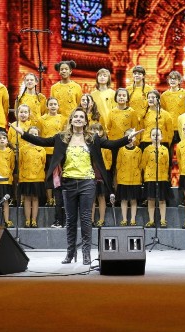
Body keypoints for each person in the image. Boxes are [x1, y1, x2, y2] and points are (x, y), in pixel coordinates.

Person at [10, 108, 142, 265]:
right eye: (75, 117)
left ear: (86, 121)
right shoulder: (61, 137)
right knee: (71, 220)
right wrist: (23, 133)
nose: (78, 119)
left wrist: (128, 138)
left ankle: (86, 253)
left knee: (86, 219)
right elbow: (42, 141)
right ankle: (70, 253)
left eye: (81, 117)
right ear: (71, 120)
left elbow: (112, 144)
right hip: (68, 182)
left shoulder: (93, 138)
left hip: (87, 182)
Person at [36, 97, 66, 217]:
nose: (53, 106)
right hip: (46, 151)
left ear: (58, 106)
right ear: (47, 106)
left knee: (60, 175)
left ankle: (60, 198)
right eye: (51, 104)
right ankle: (49, 199)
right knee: (48, 176)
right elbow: (39, 136)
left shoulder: (63, 119)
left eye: (55, 104)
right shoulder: (41, 119)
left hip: (59, 151)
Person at [18, 126, 47, 228]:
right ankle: (27, 220)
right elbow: (20, 163)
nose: (33, 136)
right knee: (27, 199)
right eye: (31, 134)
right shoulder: (22, 149)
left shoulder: (42, 149)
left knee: (35, 199)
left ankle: (34, 220)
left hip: (37, 178)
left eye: (35, 134)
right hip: (25, 178)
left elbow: (43, 163)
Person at [141, 128, 170, 228]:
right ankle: (151, 220)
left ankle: (163, 220)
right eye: (153, 135)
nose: (156, 137)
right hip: (150, 178)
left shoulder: (165, 149)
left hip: (162, 178)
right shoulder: (147, 150)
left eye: (157, 135)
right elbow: (143, 164)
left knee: (162, 200)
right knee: (151, 200)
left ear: (161, 137)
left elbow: (167, 164)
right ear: (150, 137)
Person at [107, 88, 140, 175]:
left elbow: (135, 128)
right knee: (114, 167)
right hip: (114, 144)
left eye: (124, 95)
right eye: (119, 95)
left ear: (127, 98)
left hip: (126, 144)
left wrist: (134, 142)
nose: (121, 97)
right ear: (116, 98)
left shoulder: (132, 112)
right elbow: (108, 128)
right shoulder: (111, 112)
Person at [115, 129, 142, 226]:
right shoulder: (121, 150)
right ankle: (124, 219)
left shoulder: (138, 150)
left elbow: (140, 164)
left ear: (135, 137)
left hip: (135, 180)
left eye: (132, 135)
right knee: (124, 200)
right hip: (123, 179)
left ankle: (133, 219)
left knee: (133, 200)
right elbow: (118, 164)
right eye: (128, 135)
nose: (130, 138)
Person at [89, 123, 112, 227]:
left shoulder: (105, 146)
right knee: (91, 198)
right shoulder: (88, 145)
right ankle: (91, 219)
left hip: (101, 175)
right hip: (90, 174)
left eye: (97, 130)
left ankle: (102, 219)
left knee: (101, 197)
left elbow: (109, 161)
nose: (95, 133)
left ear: (102, 132)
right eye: (92, 130)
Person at [160, 71, 185, 148]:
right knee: (169, 151)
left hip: (182, 127)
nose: (172, 81)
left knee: (183, 150)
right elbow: (162, 112)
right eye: (171, 79)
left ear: (179, 81)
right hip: (169, 128)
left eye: (175, 79)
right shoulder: (164, 96)